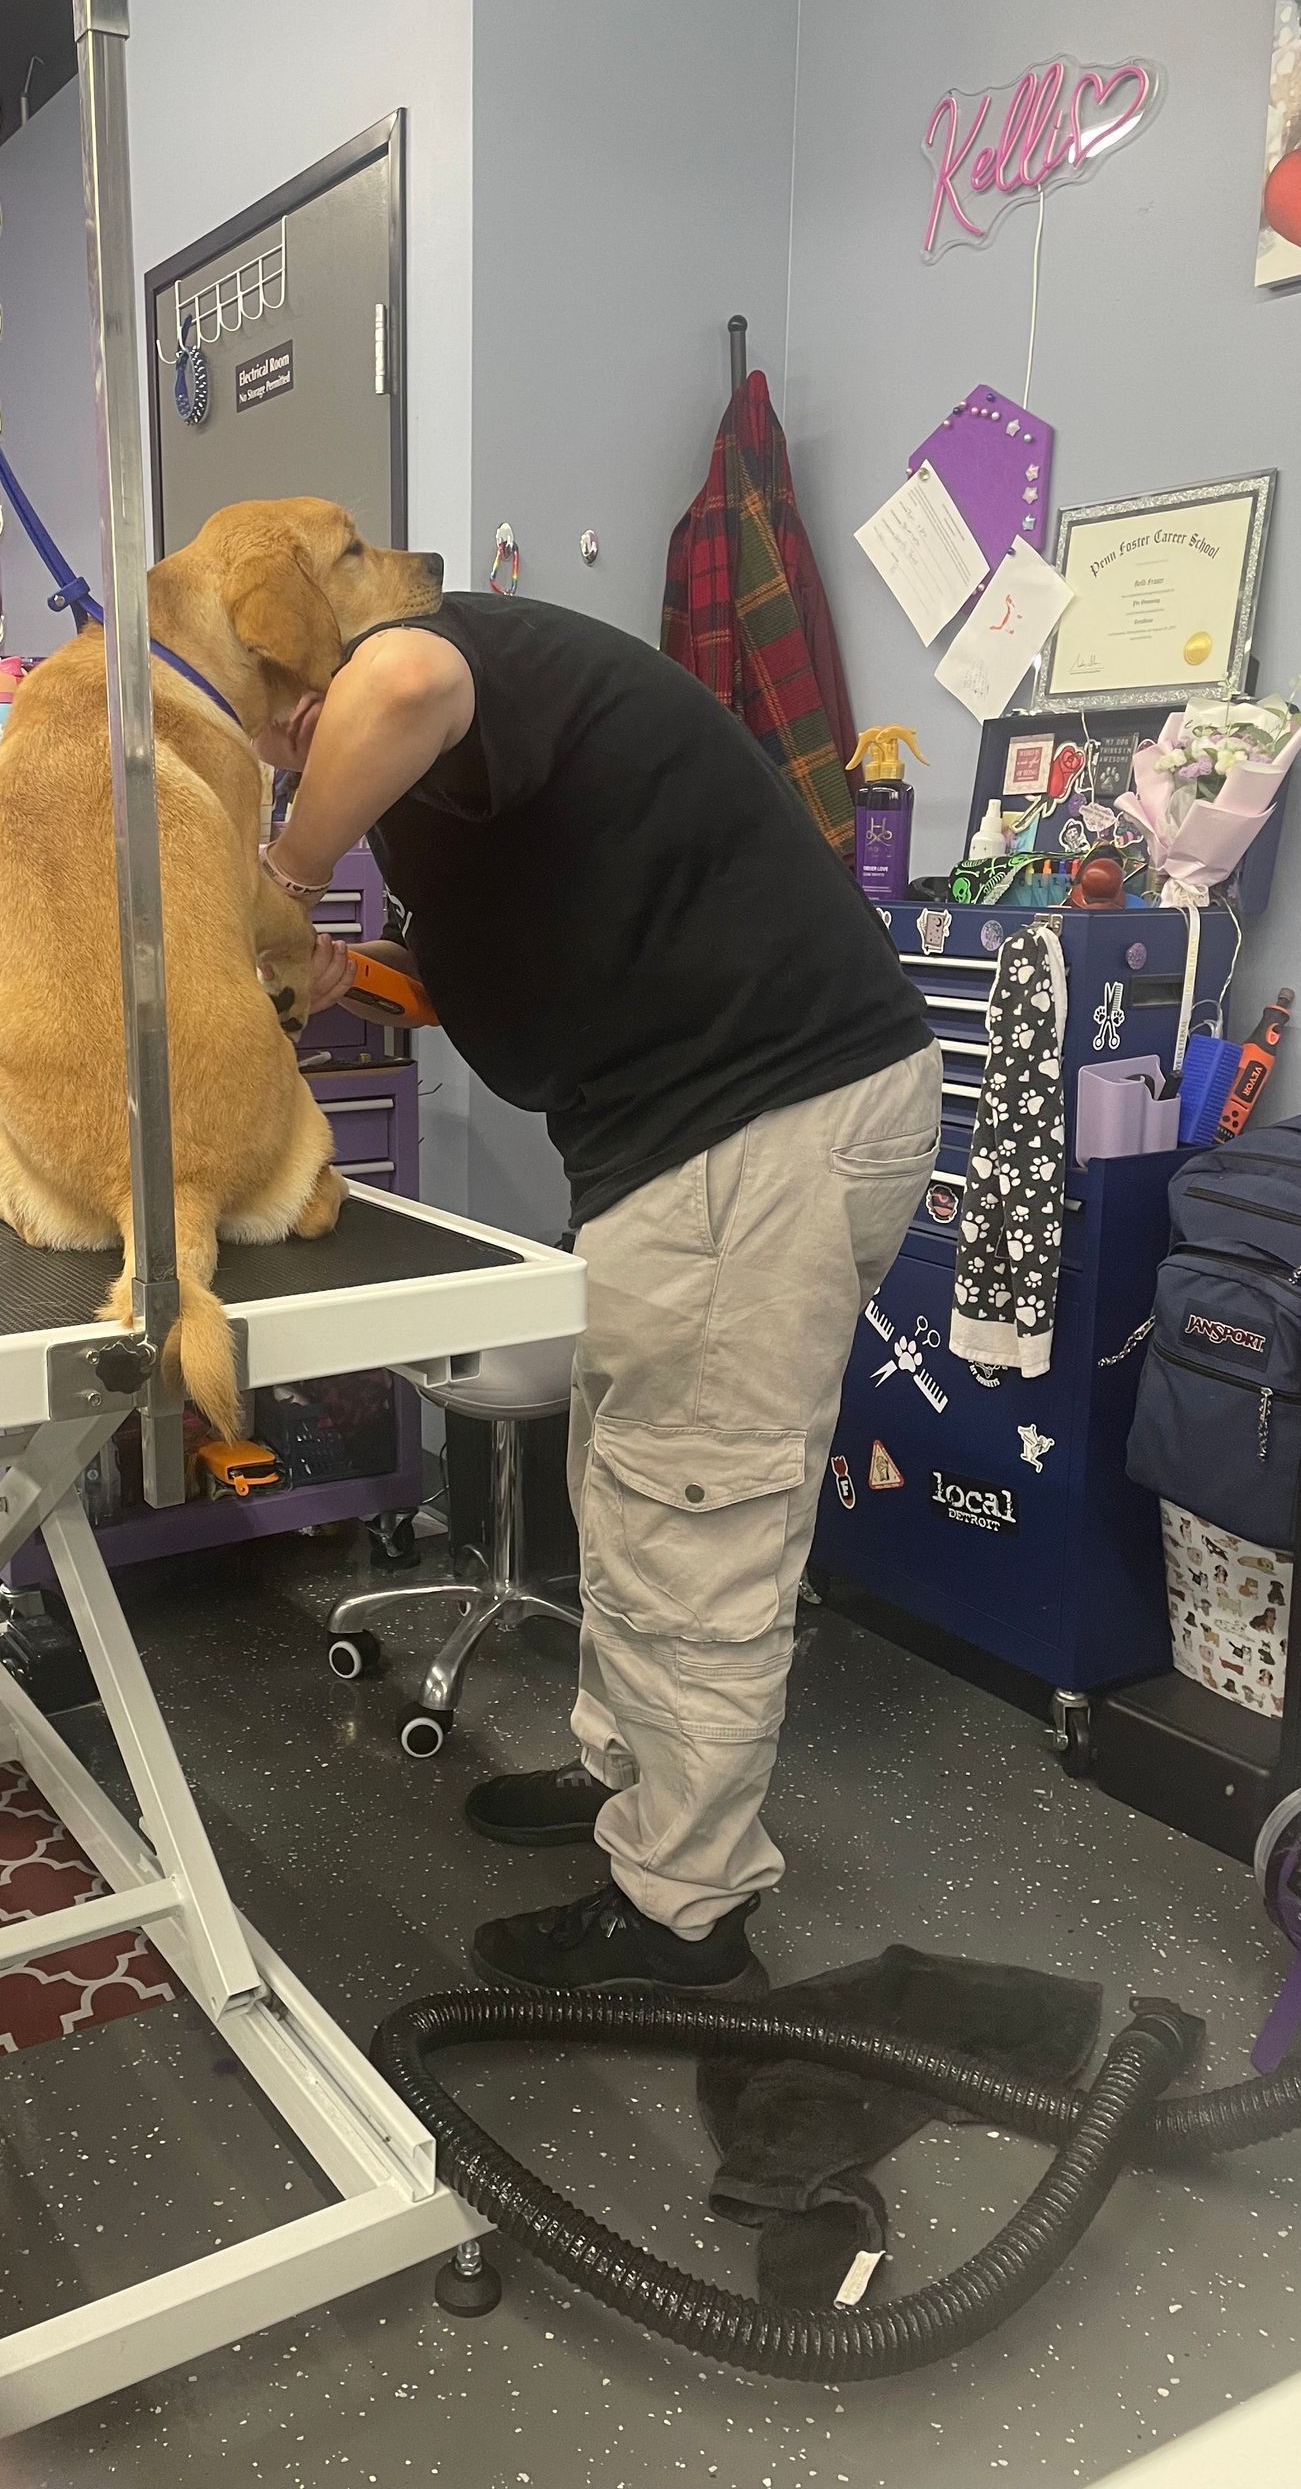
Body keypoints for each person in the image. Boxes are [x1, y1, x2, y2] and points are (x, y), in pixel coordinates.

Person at [255, 587, 940, 1998]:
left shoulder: (434, 660)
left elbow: (388, 692)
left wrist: (277, 875)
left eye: (276, 722)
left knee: (699, 1522)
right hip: (692, 1134)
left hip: (756, 1123)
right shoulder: (456, 760)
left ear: (317, 666)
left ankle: (683, 1913)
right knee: (633, 1486)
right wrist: (345, 980)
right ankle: (626, 1778)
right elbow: (482, 986)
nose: (286, 752)